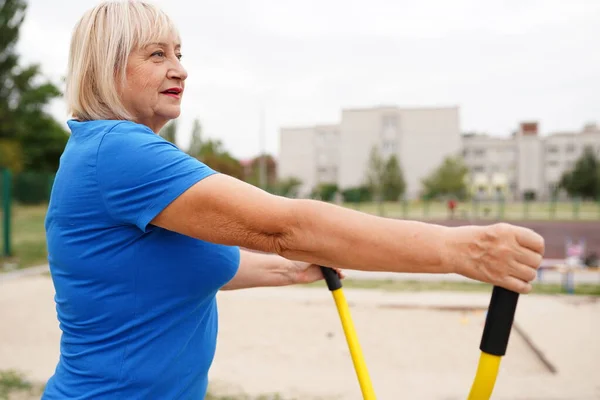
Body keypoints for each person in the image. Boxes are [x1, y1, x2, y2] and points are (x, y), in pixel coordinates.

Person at [42, 1, 545, 398]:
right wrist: (460, 250)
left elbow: (177, 265)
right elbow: (284, 227)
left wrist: (291, 269)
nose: (181, 69)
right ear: (107, 68)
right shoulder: (120, 153)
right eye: (157, 55)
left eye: (179, 53)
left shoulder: (112, 154)